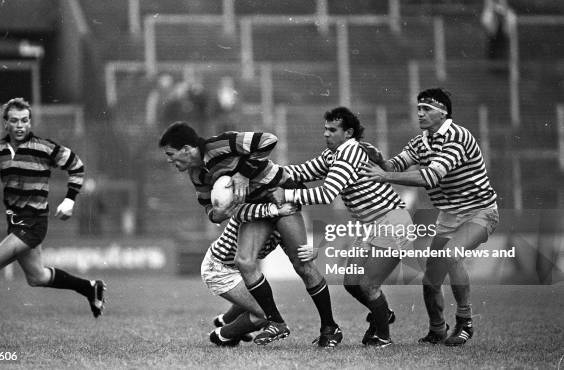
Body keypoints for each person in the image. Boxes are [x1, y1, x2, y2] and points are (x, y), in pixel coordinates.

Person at [159, 122, 341, 347]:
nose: (169, 160)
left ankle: (330, 327)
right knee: (243, 261)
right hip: (257, 209)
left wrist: (243, 174)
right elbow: (210, 210)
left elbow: (268, 140)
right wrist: (219, 213)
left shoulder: (220, 145)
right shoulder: (197, 175)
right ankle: (276, 322)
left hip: (280, 193)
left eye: (171, 154)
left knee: (302, 264)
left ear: (187, 149)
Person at [359, 88, 499, 346]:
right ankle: (437, 329)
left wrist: (385, 176)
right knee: (431, 279)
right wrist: (380, 160)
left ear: (443, 113)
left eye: (426, 109)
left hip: (480, 212)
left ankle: (465, 322)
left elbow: (430, 176)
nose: (420, 113)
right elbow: (395, 166)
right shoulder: (420, 142)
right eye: (419, 108)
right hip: (448, 217)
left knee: (450, 255)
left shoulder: (457, 136)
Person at [0, 98, 105, 342]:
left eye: (25, 120)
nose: (20, 125)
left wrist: (70, 200)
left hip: (33, 222)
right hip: (15, 221)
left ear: (30, 122)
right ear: (5, 123)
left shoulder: (44, 148)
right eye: (15, 120)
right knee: (37, 277)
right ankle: (90, 287)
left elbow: (77, 166)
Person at [269, 107, 411, 347]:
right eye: (325, 129)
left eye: (332, 130)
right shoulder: (333, 154)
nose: (326, 134)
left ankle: (383, 338)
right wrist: (269, 172)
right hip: (368, 225)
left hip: (393, 221)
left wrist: (287, 194)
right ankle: (383, 314)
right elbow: (303, 170)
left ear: (348, 133)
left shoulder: (350, 152)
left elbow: (326, 193)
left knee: (367, 284)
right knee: (351, 283)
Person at [203, 202, 298, 346]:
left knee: (264, 302)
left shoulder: (281, 221)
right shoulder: (252, 208)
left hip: (240, 269)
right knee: (269, 315)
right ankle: (222, 335)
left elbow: (293, 253)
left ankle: (226, 321)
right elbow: (239, 211)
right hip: (219, 269)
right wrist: (276, 210)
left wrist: (309, 252)